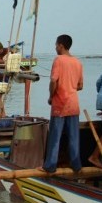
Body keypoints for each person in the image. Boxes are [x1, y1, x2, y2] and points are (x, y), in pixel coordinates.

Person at [40, 34, 84, 174]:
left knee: (55, 136)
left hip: (60, 103)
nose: (55, 47)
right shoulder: (77, 62)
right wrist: (70, 86)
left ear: (61, 45)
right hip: (73, 103)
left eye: (56, 44)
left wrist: (50, 96)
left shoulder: (59, 60)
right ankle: (76, 165)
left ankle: (50, 165)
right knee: (73, 137)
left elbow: (53, 81)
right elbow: (80, 85)